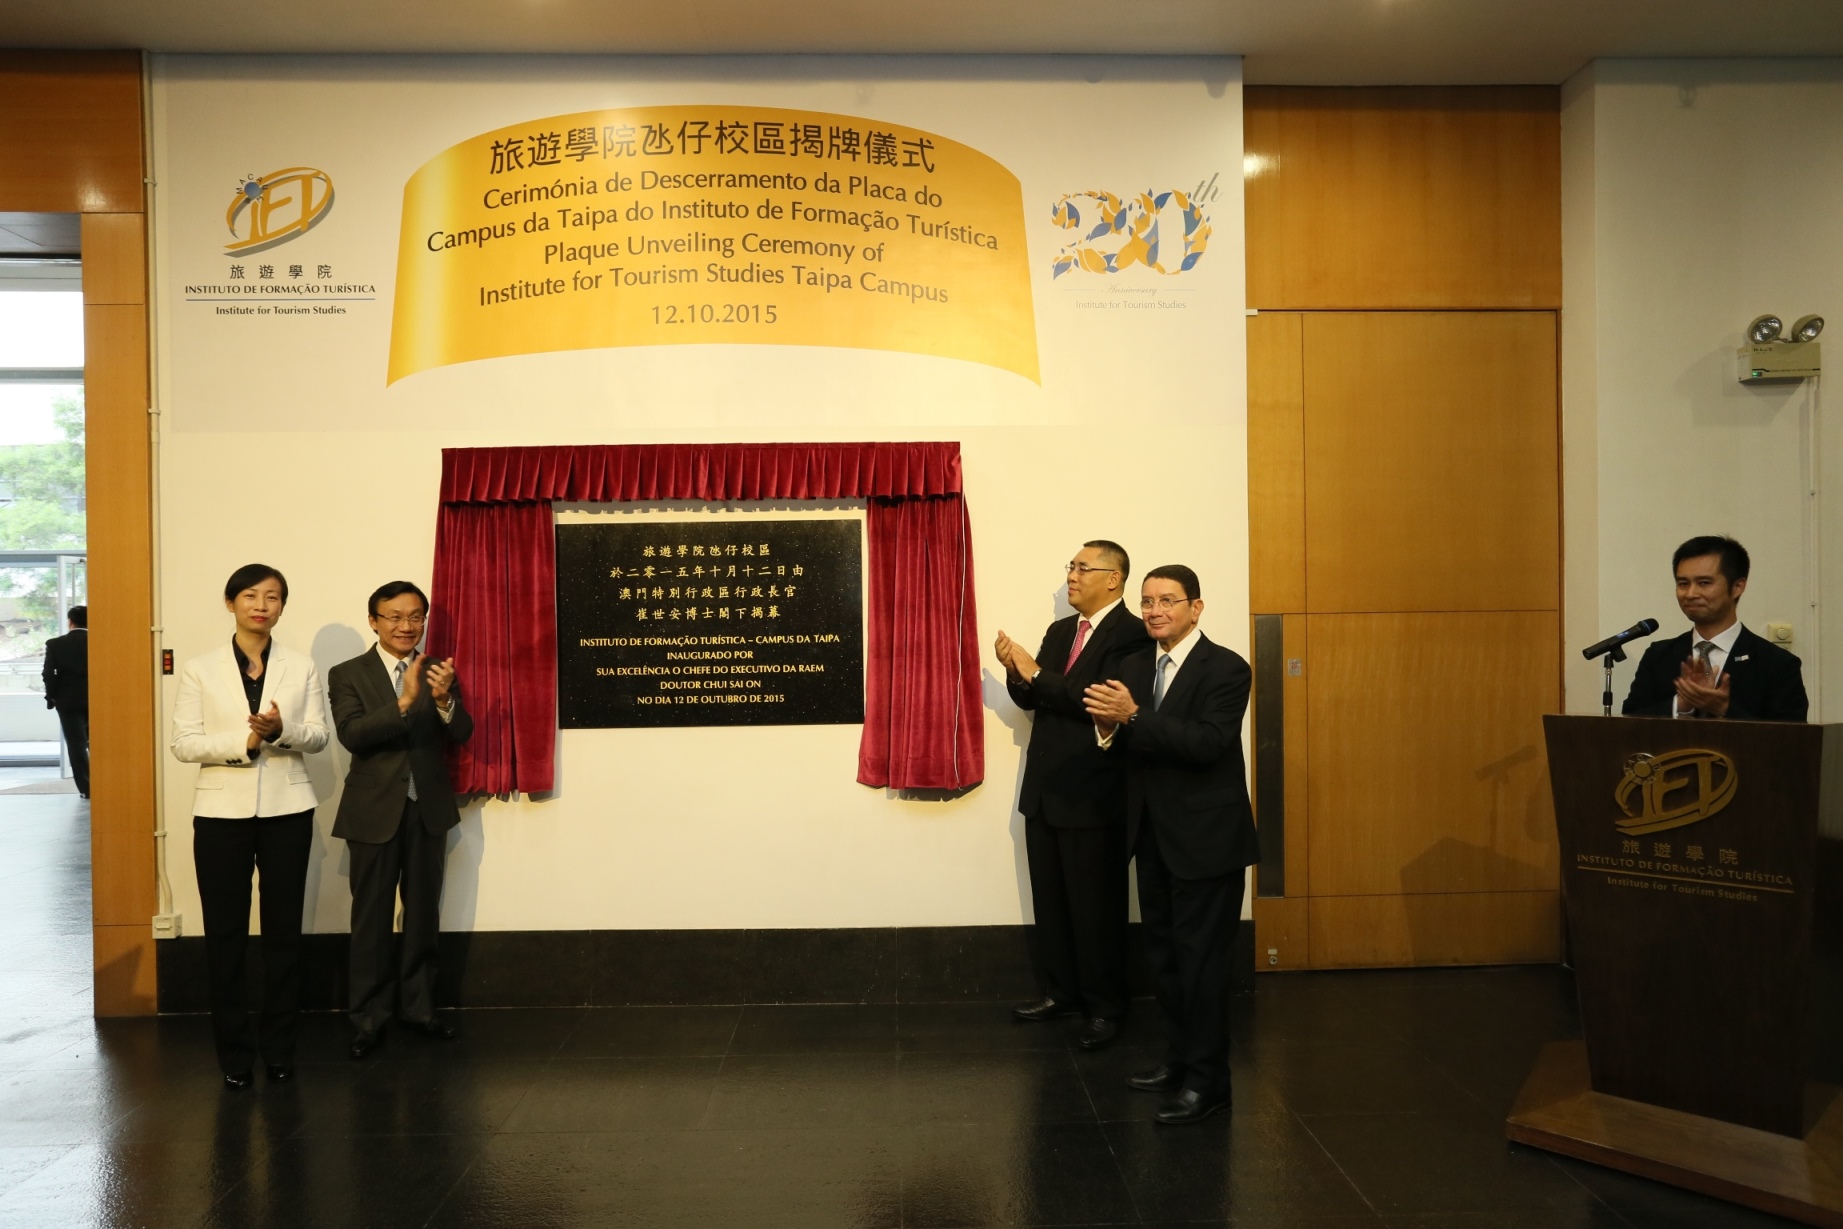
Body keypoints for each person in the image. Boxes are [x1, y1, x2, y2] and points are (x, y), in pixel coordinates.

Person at [1083, 564, 1259, 1125]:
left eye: (1168, 601)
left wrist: (1133, 716)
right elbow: (1124, 743)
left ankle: (1210, 1084)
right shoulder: (1135, 666)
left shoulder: (1227, 668)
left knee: (1202, 967)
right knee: (1164, 960)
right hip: (1152, 837)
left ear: (1195, 608)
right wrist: (1108, 729)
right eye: (1147, 602)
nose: (1155, 611)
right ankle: (1179, 1061)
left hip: (1208, 843)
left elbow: (1208, 743)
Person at [170, 564, 329, 1089]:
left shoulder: (301, 666)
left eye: (273, 597)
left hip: (289, 810)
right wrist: (247, 743)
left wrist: (282, 731)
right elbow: (184, 744)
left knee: (284, 936)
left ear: (282, 606)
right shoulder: (200, 668)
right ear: (230, 602)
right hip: (220, 815)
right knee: (225, 937)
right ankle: (234, 1055)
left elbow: (319, 737)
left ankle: (279, 1049)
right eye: (250, 596)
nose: (261, 605)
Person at [995, 540, 1148, 1050]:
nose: (1072, 576)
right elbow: (1037, 698)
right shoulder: (1062, 630)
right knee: (1053, 900)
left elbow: (1094, 700)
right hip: (1044, 790)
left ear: (1114, 578)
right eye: (1071, 567)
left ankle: (1105, 1007)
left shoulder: (1131, 634)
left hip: (1093, 794)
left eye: (1084, 568)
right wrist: (1016, 673)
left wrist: (1037, 674)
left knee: (1095, 907)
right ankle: (1060, 993)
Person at [330, 581, 473, 1059]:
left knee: (423, 915)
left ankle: (419, 1009)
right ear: (373, 621)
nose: (406, 626)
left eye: (415, 616)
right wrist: (405, 701)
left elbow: (463, 731)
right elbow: (353, 734)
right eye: (394, 616)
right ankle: (368, 1020)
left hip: (427, 809)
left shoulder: (438, 670)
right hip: (372, 811)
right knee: (370, 920)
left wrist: (444, 700)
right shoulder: (347, 673)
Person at [1622, 535, 1807, 722]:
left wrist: (1724, 710)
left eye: (1704, 583)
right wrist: (1681, 705)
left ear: (1737, 587)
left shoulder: (1778, 664)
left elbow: (1792, 736)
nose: (1690, 594)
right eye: (1683, 584)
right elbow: (1630, 722)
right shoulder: (1658, 656)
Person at [42, 605, 89, 799]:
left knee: (76, 745)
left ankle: (86, 788)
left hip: (68, 701)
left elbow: (48, 674)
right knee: (102, 743)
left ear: (70, 622)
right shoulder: (99, 642)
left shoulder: (55, 644)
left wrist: (52, 696)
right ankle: (105, 784)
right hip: (97, 700)